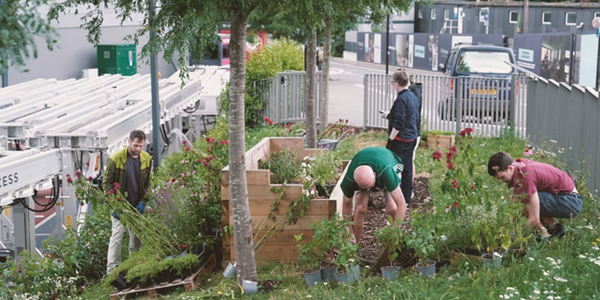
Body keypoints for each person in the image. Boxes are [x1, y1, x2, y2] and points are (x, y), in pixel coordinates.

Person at [487, 152, 582, 239]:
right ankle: (552, 227)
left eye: (502, 177)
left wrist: (514, 237)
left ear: (511, 168)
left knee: (524, 199)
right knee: (516, 197)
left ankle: (544, 233)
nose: (500, 181)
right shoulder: (518, 165)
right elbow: (514, 206)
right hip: (562, 195)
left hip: (570, 202)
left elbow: (533, 220)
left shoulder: (526, 178)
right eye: (498, 179)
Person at [105, 130, 153, 274]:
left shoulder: (146, 158)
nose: (138, 149)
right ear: (129, 142)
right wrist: (114, 205)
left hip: (136, 204)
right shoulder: (116, 159)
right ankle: (112, 270)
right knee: (117, 236)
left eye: (141, 146)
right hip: (120, 205)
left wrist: (143, 202)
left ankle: (135, 263)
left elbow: (149, 183)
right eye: (136, 145)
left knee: (136, 237)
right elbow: (106, 184)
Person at [340, 147, 407, 245]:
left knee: (392, 209)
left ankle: (390, 246)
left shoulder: (387, 171)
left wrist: (395, 232)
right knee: (359, 209)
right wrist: (349, 232)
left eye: (370, 187)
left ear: (375, 175)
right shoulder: (349, 179)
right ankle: (354, 246)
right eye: (365, 188)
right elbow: (346, 205)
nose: (369, 190)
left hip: (390, 164)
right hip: (366, 175)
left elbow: (401, 203)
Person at [386, 69, 420, 204]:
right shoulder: (413, 96)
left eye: (393, 82)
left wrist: (391, 139)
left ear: (398, 82)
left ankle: (396, 199)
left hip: (401, 140)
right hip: (411, 137)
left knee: (396, 168)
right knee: (407, 169)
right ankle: (406, 197)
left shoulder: (401, 98)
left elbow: (399, 123)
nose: (393, 85)